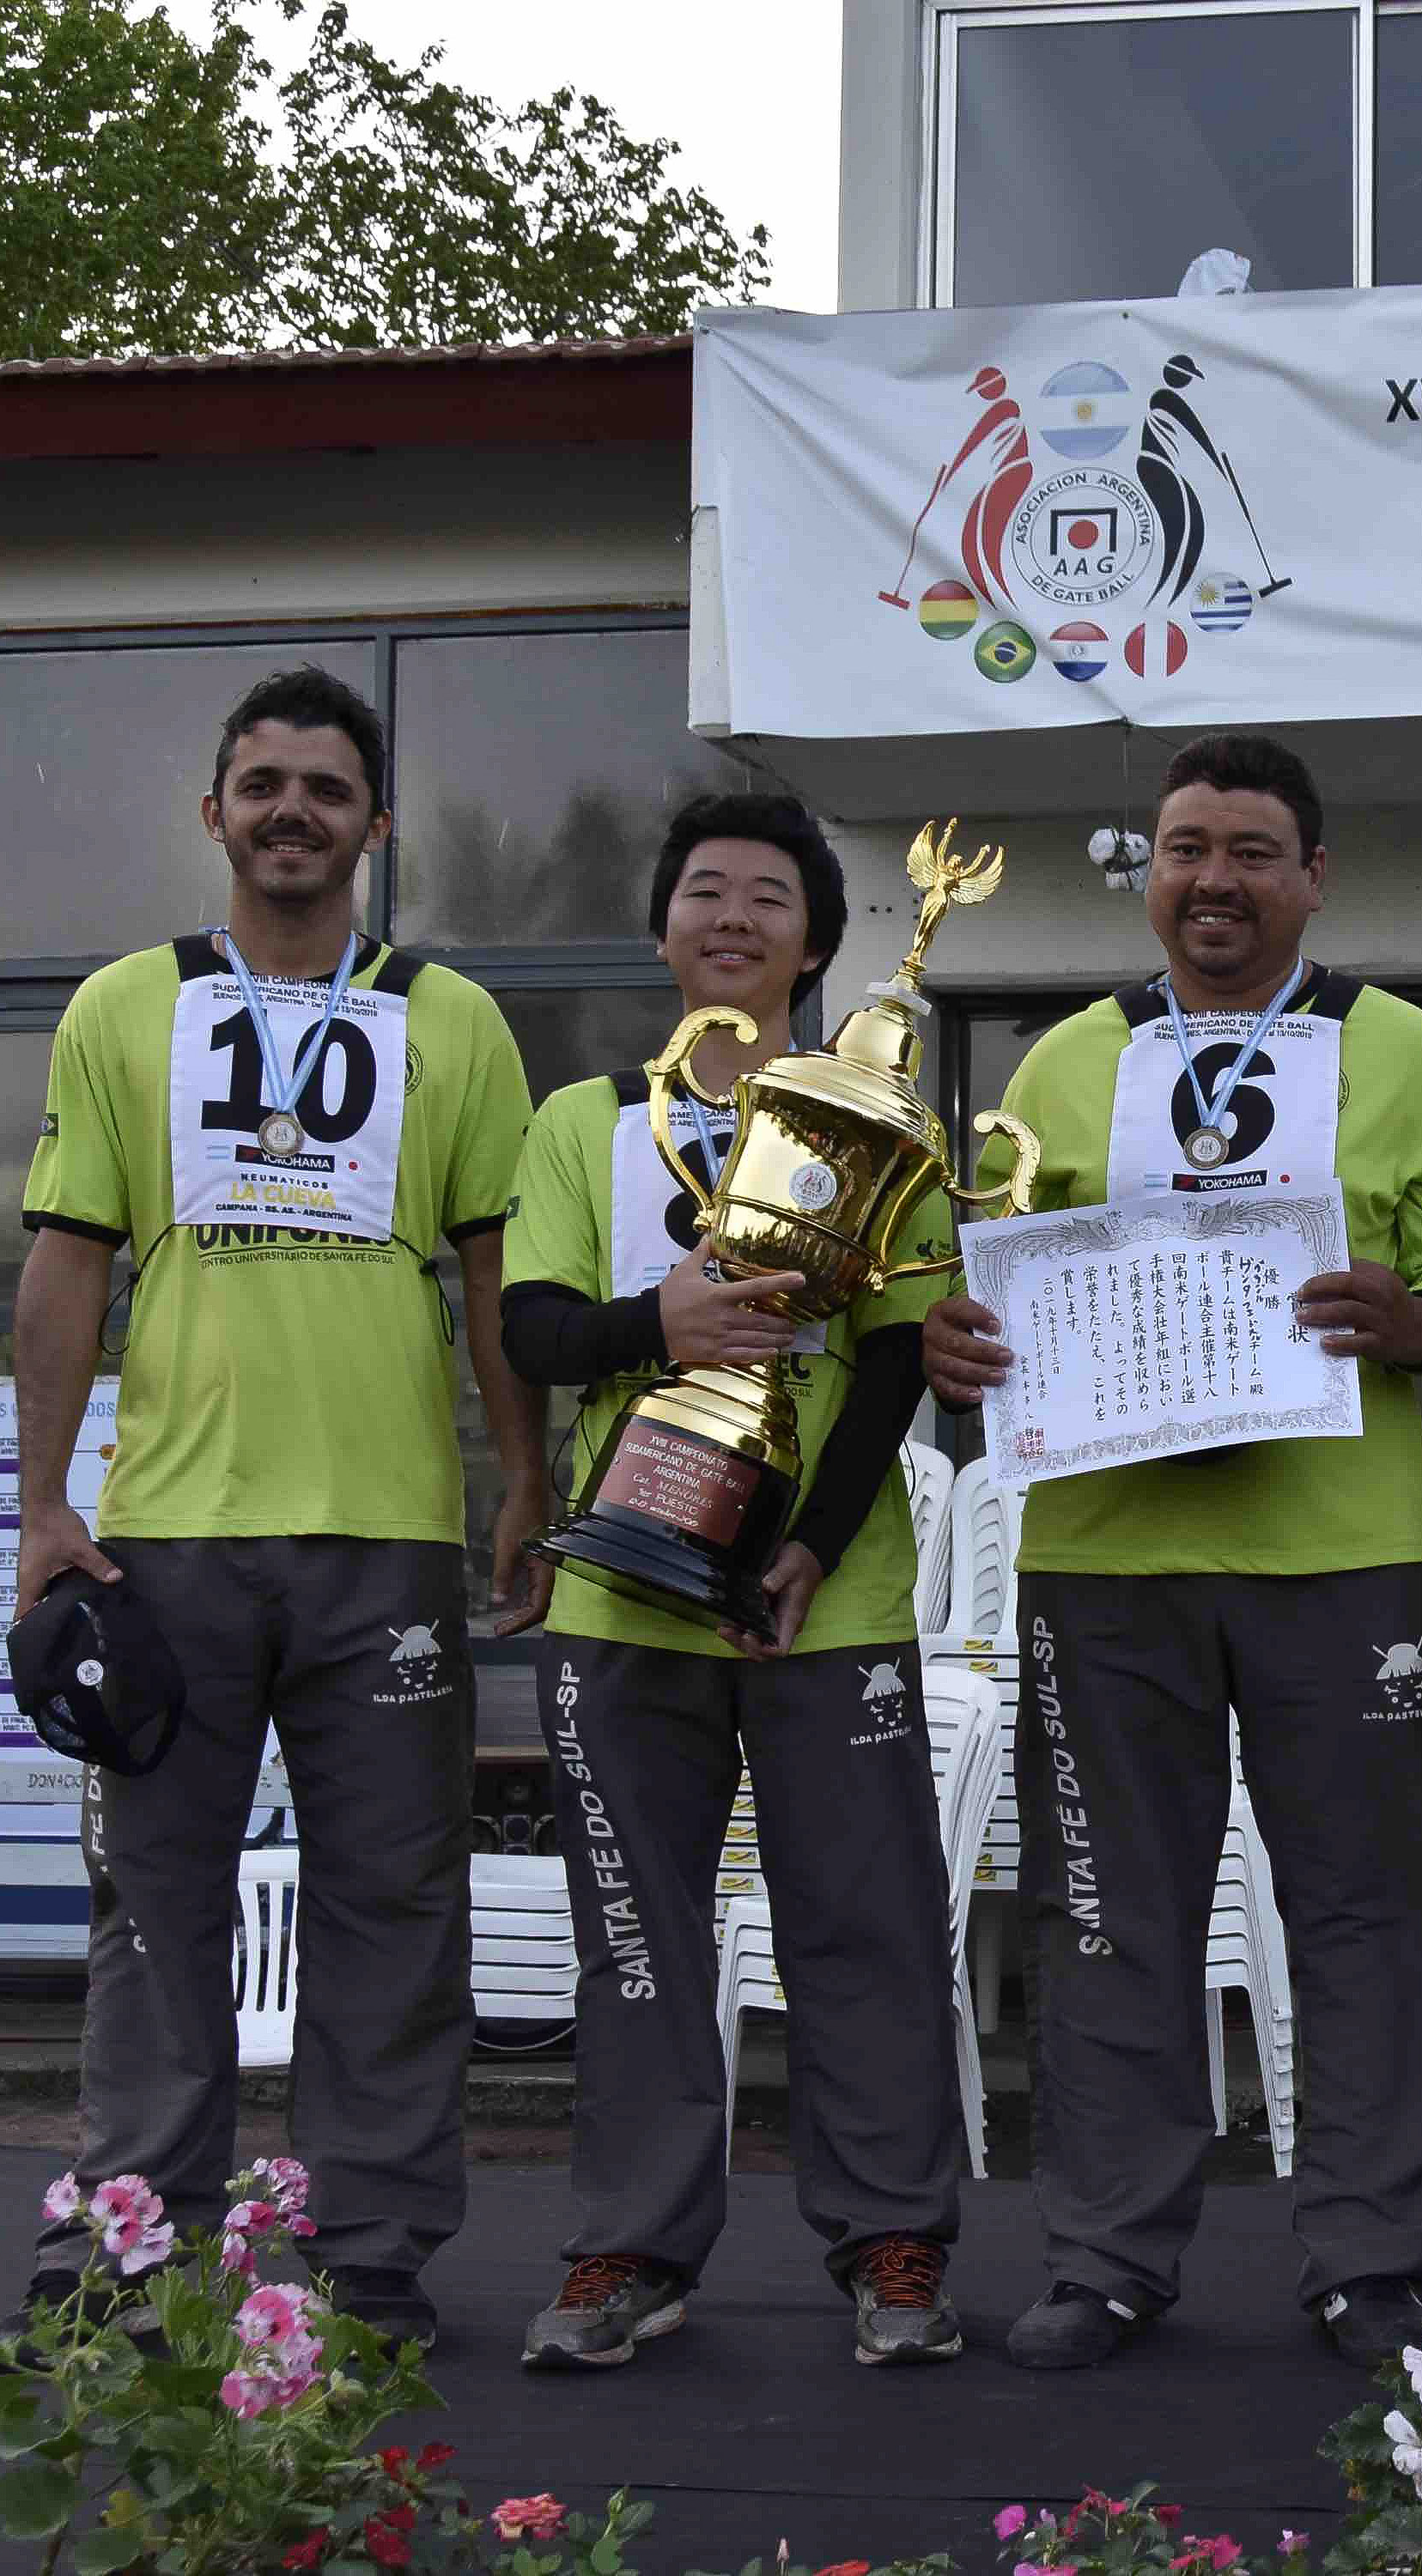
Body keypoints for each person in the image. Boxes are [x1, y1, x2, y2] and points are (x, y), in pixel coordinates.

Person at [921, 732, 1422, 2369]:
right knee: (1108, 1914)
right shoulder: (1058, 1062)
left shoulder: (1402, 1049)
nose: (1213, 878)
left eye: (1250, 849)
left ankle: (1374, 2258)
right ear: (1146, 871)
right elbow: (996, 1275)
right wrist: (963, 1344)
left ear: (1313, 875)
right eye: (1183, 847)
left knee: (1372, 1915)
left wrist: (1415, 1316)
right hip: (1105, 1555)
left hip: (1345, 1551)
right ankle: (1107, 2255)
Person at [9, 666, 543, 2352]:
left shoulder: (455, 1018)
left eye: (326, 785)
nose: (292, 809)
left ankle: (370, 2242)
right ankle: (134, 2230)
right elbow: (64, 1265)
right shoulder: (120, 1009)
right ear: (215, 812)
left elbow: (495, 1279)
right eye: (263, 783)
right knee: (154, 1900)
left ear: (377, 825)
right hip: (166, 1537)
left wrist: (520, 1475)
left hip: (384, 1535)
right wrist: (39, 1503)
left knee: (394, 1901)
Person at [498, 793, 969, 2372]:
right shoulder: (581, 1122)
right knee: (639, 1937)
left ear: (816, 943)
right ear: (663, 931)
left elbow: (901, 1360)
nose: (734, 915)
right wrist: (665, 1329)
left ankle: (892, 2243)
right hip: (619, 1596)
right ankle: (629, 2247)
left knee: (867, 1929)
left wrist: (812, 1544)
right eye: (705, 890)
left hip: (825, 1601)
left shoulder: (888, 1123)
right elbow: (534, 1333)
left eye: (770, 896)